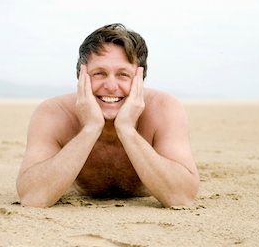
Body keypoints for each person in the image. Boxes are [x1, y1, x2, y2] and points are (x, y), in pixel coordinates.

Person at [16, 23, 199, 208]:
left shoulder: (164, 108)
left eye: (123, 75)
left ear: (139, 80)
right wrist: (90, 128)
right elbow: (33, 198)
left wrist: (127, 129)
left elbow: (181, 197)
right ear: (81, 76)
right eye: (99, 73)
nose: (111, 86)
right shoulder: (54, 113)